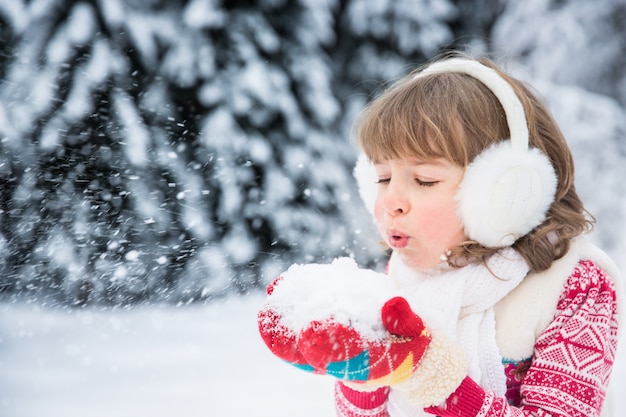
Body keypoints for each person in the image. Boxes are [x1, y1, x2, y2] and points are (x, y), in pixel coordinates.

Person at [258, 53, 623, 417]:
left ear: (502, 191)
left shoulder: (573, 285)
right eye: (382, 178)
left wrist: (433, 378)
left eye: (424, 180)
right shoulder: (406, 274)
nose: (391, 202)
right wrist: (362, 373)